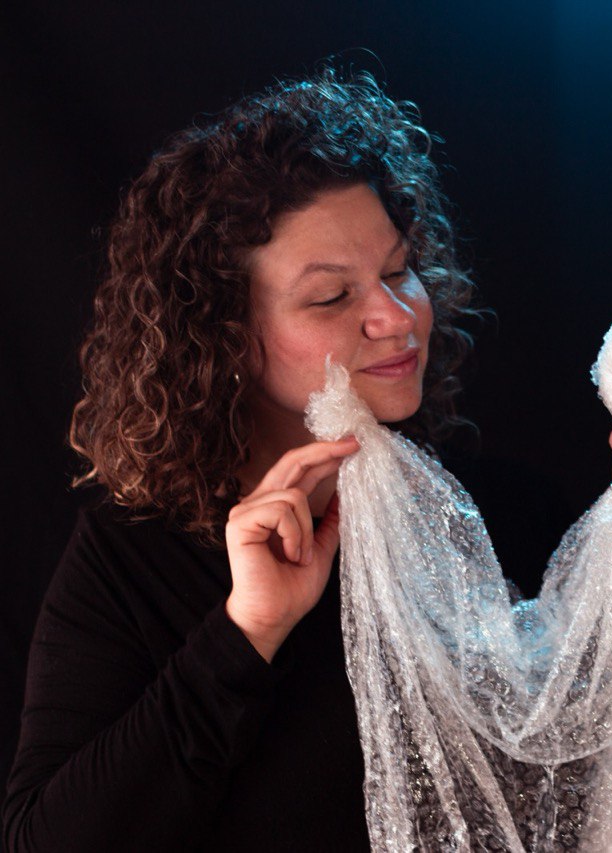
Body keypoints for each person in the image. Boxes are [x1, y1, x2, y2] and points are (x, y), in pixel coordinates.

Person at [3, 69, 476, 850]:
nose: (397, 317)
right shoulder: (131, 565)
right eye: (331, 297)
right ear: (224, 335)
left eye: (398, 272)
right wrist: (246, 631)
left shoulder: (478, 508)